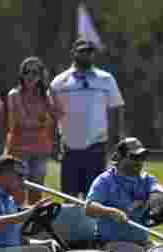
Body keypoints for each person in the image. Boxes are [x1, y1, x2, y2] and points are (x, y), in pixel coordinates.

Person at [50, 38, 125, 199]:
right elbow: (52, 115)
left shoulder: (106, 79)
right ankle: (73, 225)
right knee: (69, 197)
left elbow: (115, 109)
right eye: (82, 51)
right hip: (69, 147)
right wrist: (54, 141)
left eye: (89, 52)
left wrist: (115, 141)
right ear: (73, 53)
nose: (86, 55)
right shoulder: (59, 82)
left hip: (96, 146)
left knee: (95, 197)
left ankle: (93, 226)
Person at [84, 137, 163, 252]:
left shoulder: (147, 179)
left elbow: (159, 192)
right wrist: (111, 212)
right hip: (111, 244)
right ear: (119, 158)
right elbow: (89, 208)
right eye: (135, 157)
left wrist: (156, 199)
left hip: (143, 242)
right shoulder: (105, 181)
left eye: (142, 156)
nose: (140, 161)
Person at [6, 56, 64, 204]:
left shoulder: (45, 96)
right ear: (21, 74)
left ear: (41, 76)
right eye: (27, 72)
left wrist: (50, 87)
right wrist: (43, 121)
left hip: (41, 149)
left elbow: (59, 113)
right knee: (18, 189)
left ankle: (33, 220)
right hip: (19, 149)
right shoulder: (14, 95)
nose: (30, 76)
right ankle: (16, 221)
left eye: (35, 73)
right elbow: (23, 122)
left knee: (36, 190)